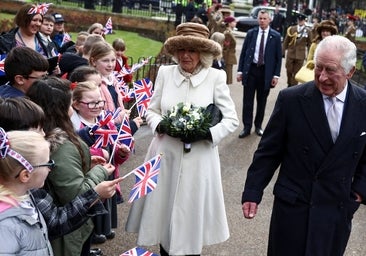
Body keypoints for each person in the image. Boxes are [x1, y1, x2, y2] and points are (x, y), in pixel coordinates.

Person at [241, 35, 366, 256]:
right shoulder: (291, 99)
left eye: (330, 70)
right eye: (318, 68)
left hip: (335, 207)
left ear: (350, 72)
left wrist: (358, 193)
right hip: (293, 206)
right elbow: (269, 152)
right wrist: (252, 191)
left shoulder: (363, 104)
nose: (322, 77)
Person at [125, 22, 239, 256]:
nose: (186, 55)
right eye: (181, 50)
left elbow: (231, 120)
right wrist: (161, 124)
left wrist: (206, 133)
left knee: (190, 218)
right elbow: (151, 109)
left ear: (203, 53)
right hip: (165, 155)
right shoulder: (166, 73)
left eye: (192, 50)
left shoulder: (215, 77)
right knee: (162, 216)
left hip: (199, 160)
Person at [26, 77, 115, 256]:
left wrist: (86, 164)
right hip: (67, 234)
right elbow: (77, 195)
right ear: (60, 109)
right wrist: (100, 172)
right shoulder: (61, 146)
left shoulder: (40, 135)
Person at [0, 129, 55, 255]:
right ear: (25, 175)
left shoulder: (24, 196)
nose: (49, 169)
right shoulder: (5, 226)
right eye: (48, 163)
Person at [236, 10, 282, 138]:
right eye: (260, 18)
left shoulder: (276, 36)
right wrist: (240, 71)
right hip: (251, 71)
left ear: (269, 20)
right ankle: (246, 126)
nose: (262, 21)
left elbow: (278, 58)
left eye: (264, 18)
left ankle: (258, 126)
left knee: (262, 101)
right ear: (258, 19)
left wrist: (276, 76)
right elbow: (244, 53)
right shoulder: (251, 33)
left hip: (265, 73)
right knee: (247, 101)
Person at [282, 13, 312, 87]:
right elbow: (286, 41)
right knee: (288, 70)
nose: (300, 21)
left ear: (304, 20)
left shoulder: (308, 31)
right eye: (299, 20)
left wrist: (309, 55)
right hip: (291, 53)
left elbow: (310, 44)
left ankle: (292, 87)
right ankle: (289, 83)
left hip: (300, 55)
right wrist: (282, 52)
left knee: (296, 73)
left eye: (301, 20)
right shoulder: (292, 29)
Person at [223, 16, 237, 84]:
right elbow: (226, 48)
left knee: (228, 78)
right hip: (228, 58)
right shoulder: (228, 33)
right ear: (229, 23)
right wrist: (224, 60)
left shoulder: (230, 32)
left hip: (230, 57)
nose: (235, 23)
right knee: (226, 78)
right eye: (233, 22)